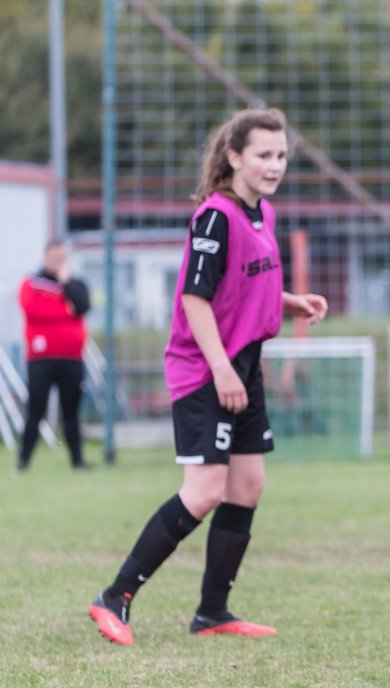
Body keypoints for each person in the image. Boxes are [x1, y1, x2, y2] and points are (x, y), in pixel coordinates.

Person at [88, 107, 328, 646]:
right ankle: (114, 596)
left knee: (247, 484)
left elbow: (239, 286)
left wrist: (288, 303)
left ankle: (212, 612)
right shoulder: (216, 216)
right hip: (205, 367)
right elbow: (196, 300)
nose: (274, 165)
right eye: (263, 155)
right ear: (234, 156)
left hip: (241, 363)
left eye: (282, 155)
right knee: (204, 490)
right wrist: (221, 369)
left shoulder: (259, 211)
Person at [16, 240, 92, 471]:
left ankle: (77, 461)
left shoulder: (75, 284)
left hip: (72, 358)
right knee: (35, 409)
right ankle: (23, 461)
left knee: (71, 411)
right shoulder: (31, 283)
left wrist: (66, 283)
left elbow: (82, 305)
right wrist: (64, 310)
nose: (57, 262)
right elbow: (33, 310)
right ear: (45, 257)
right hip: (40, 358)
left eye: (61, 257)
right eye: (53, 256)